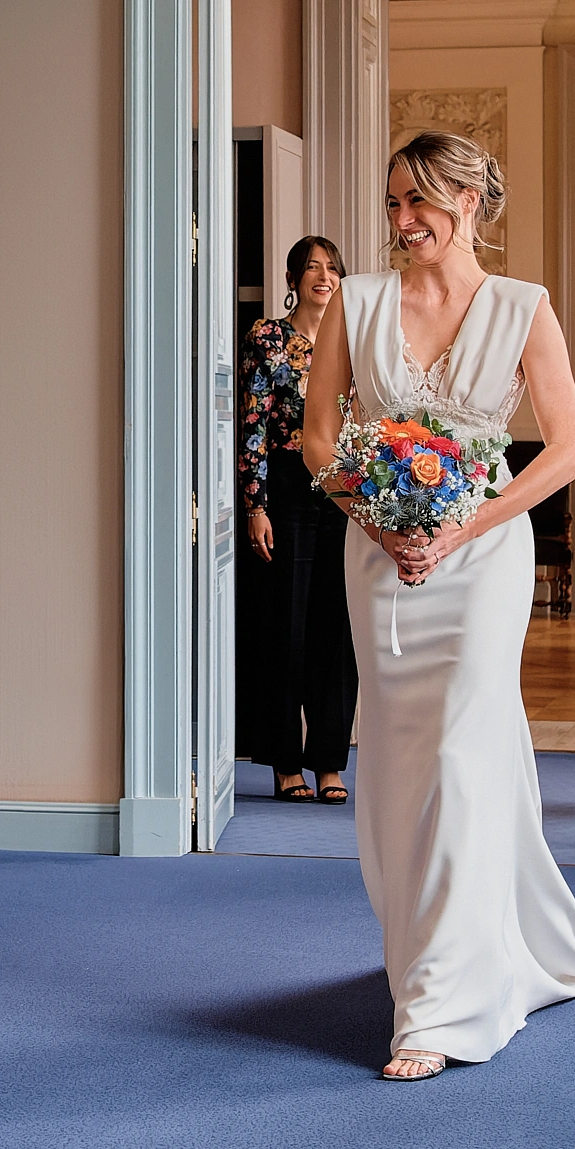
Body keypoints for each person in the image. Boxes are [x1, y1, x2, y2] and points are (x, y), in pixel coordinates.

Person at [302, 131, 575, 1082]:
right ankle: (421, 952)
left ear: (469, 205)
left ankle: (442, 1009)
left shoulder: (521, 307)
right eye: (392, 204)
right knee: (398, 755)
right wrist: (376, 518)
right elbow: (317, 434)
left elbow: (567, 450)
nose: (402, 222)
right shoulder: (360, 302)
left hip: (484, 553)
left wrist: (462, 528)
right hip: (379, 553)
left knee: (462, 747)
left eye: (419, 202)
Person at [238, 236, 356, 805]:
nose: (324, 277)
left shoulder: (353, 341)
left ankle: (330, 761)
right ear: (293, 278)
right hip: (284, 488)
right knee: (285, 625)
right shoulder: (268, 337)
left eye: (333, 269)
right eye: (313, 268)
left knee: (336, 629)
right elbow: (253, 423)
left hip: (339, 490)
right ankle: (287, 763)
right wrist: (255, 504)